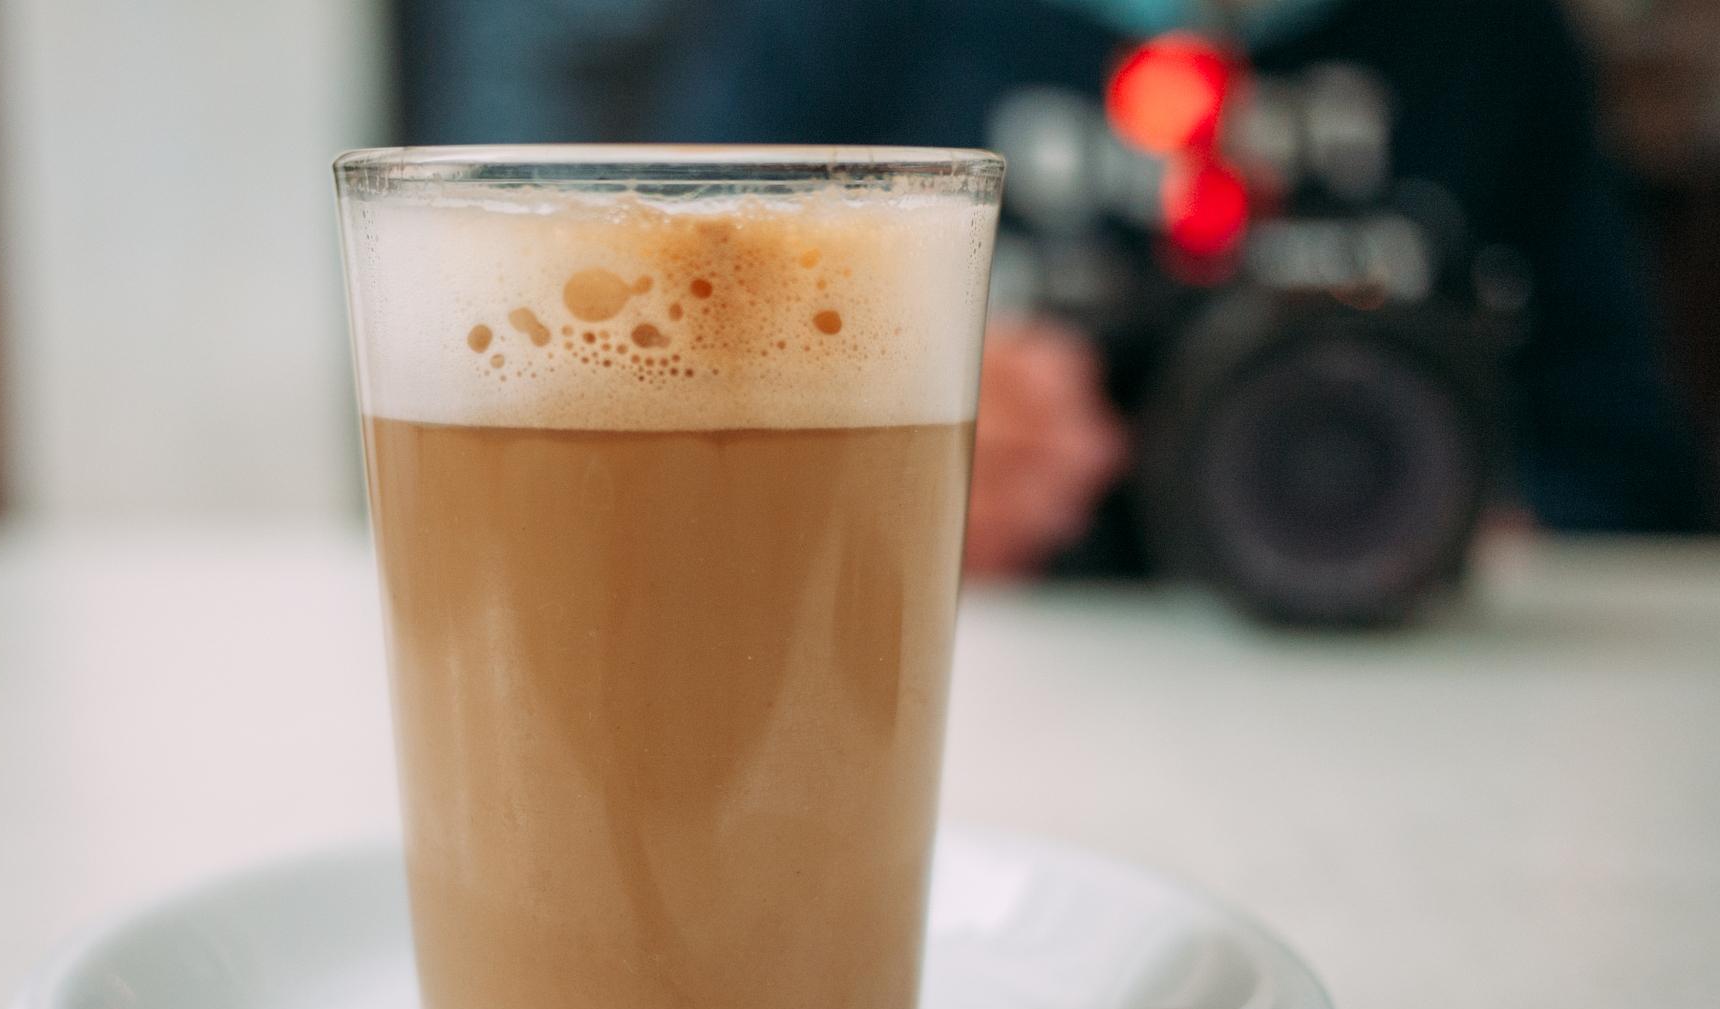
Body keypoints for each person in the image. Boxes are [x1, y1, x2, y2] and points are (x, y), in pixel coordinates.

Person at [661, 0, 1713, 577]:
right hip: (1011, 702)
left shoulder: (1494, 38)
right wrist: (871, 475)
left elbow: (1623, 466)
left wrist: (1451, 503)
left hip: (1409, 718)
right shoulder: (847, 28)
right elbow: (668, 389)